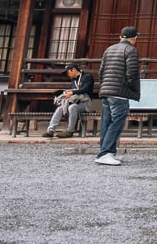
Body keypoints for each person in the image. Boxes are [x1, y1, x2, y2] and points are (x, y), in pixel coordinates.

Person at [95, 25, 141, 166]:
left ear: (120, 37)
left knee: (106, 122)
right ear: (134, 38)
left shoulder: (109, 49)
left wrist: (104, 86)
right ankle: (106, 153)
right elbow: (131, 74)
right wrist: (133, 90)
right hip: (120, 92)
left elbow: (101, 72)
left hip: (106, 90)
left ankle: (108, 152)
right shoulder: (130, 50)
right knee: (117, 123)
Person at [42, 62, 94, 138]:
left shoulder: (87, 77)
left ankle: (70, 130)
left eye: (68, 72)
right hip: (73, 101)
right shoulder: (73, 82)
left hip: (85, 103)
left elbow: (86, 89)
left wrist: (72, 92)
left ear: (73, 70)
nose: (67, 74)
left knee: (72, 107)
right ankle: (51, 130)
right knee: (60, 108)